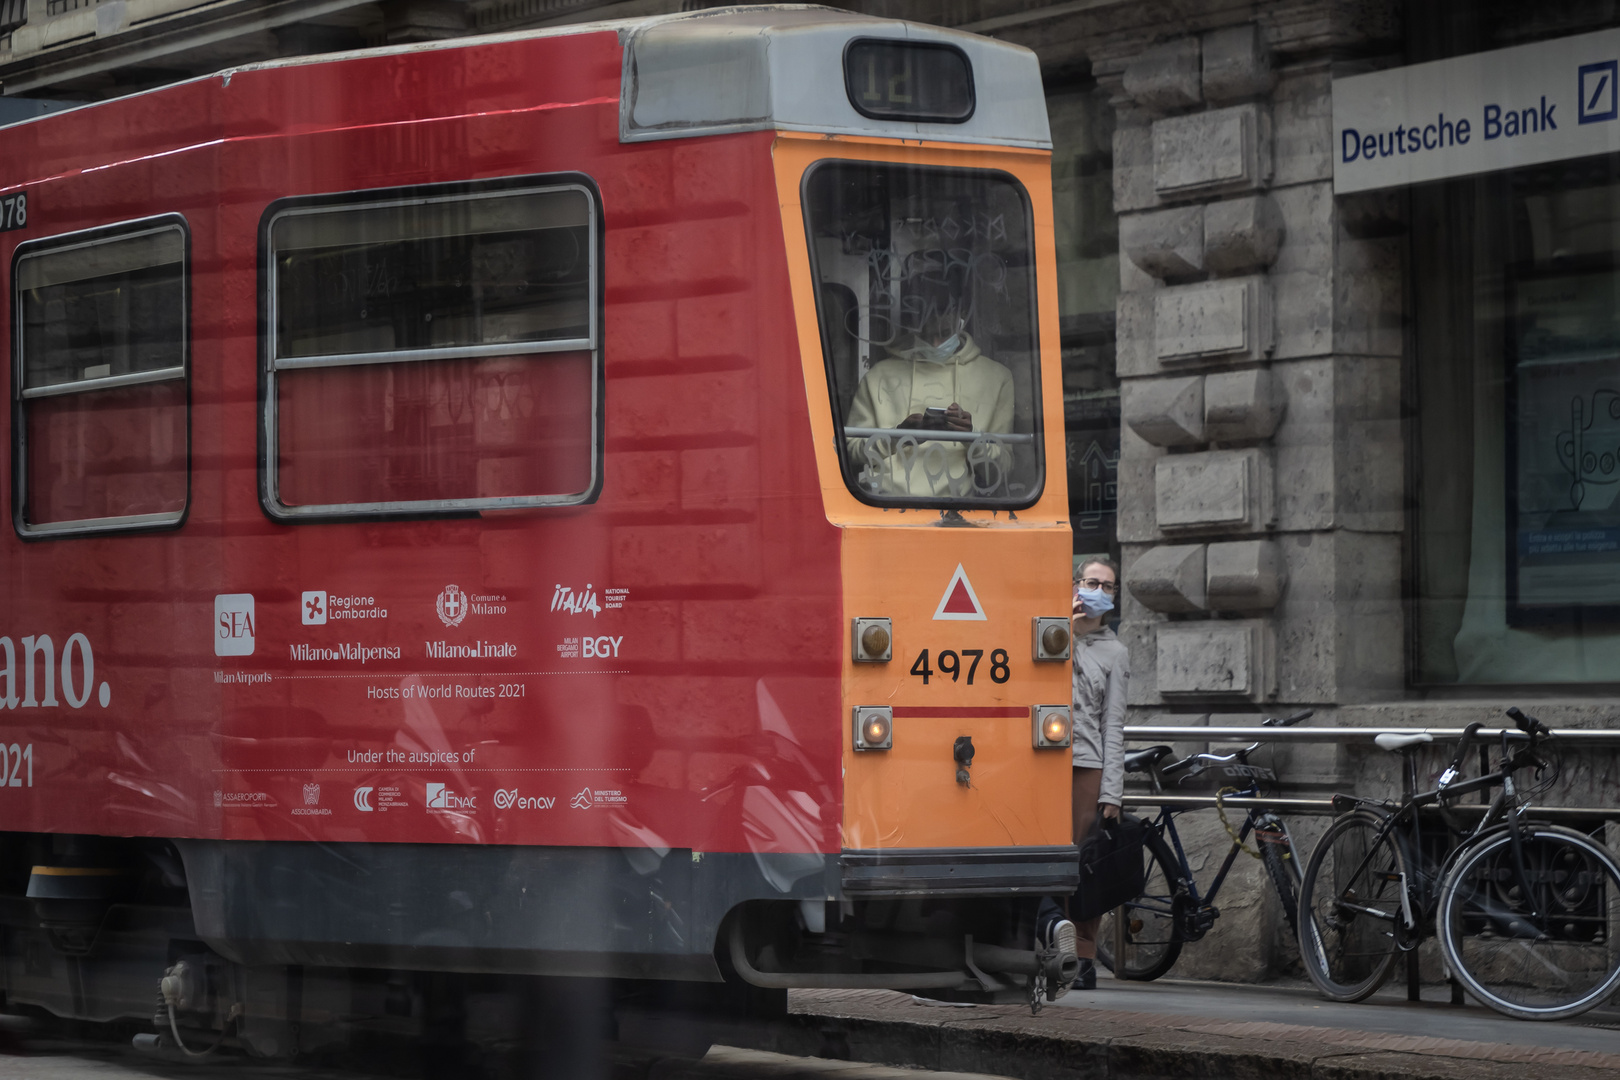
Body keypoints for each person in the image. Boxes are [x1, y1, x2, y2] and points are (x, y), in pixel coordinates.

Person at [843, 267, 1015, 497]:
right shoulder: (878, 377)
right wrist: (896, 437)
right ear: (913, 323)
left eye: (943, 333)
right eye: (926, 335)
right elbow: (849, 455)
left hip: (958, 512)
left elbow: (1002, 471)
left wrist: (971, 437)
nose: (935, 344)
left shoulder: (996, 378)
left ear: (962, 315)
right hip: (881, 506)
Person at [1038, 556, 1128, 995]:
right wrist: (1066, 633)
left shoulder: (1116, 652)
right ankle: (1049, 942)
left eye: (1107, 586)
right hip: (1039, 761)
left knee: (1083, 865)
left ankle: (1085, 957)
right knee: (1042, 858)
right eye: (1092, 581)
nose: (1098, 590)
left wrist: (1112, 790)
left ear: (1112, 598)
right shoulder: (1050, 632)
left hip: (1086, 765)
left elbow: (1115, 724)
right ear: (1075, 585)